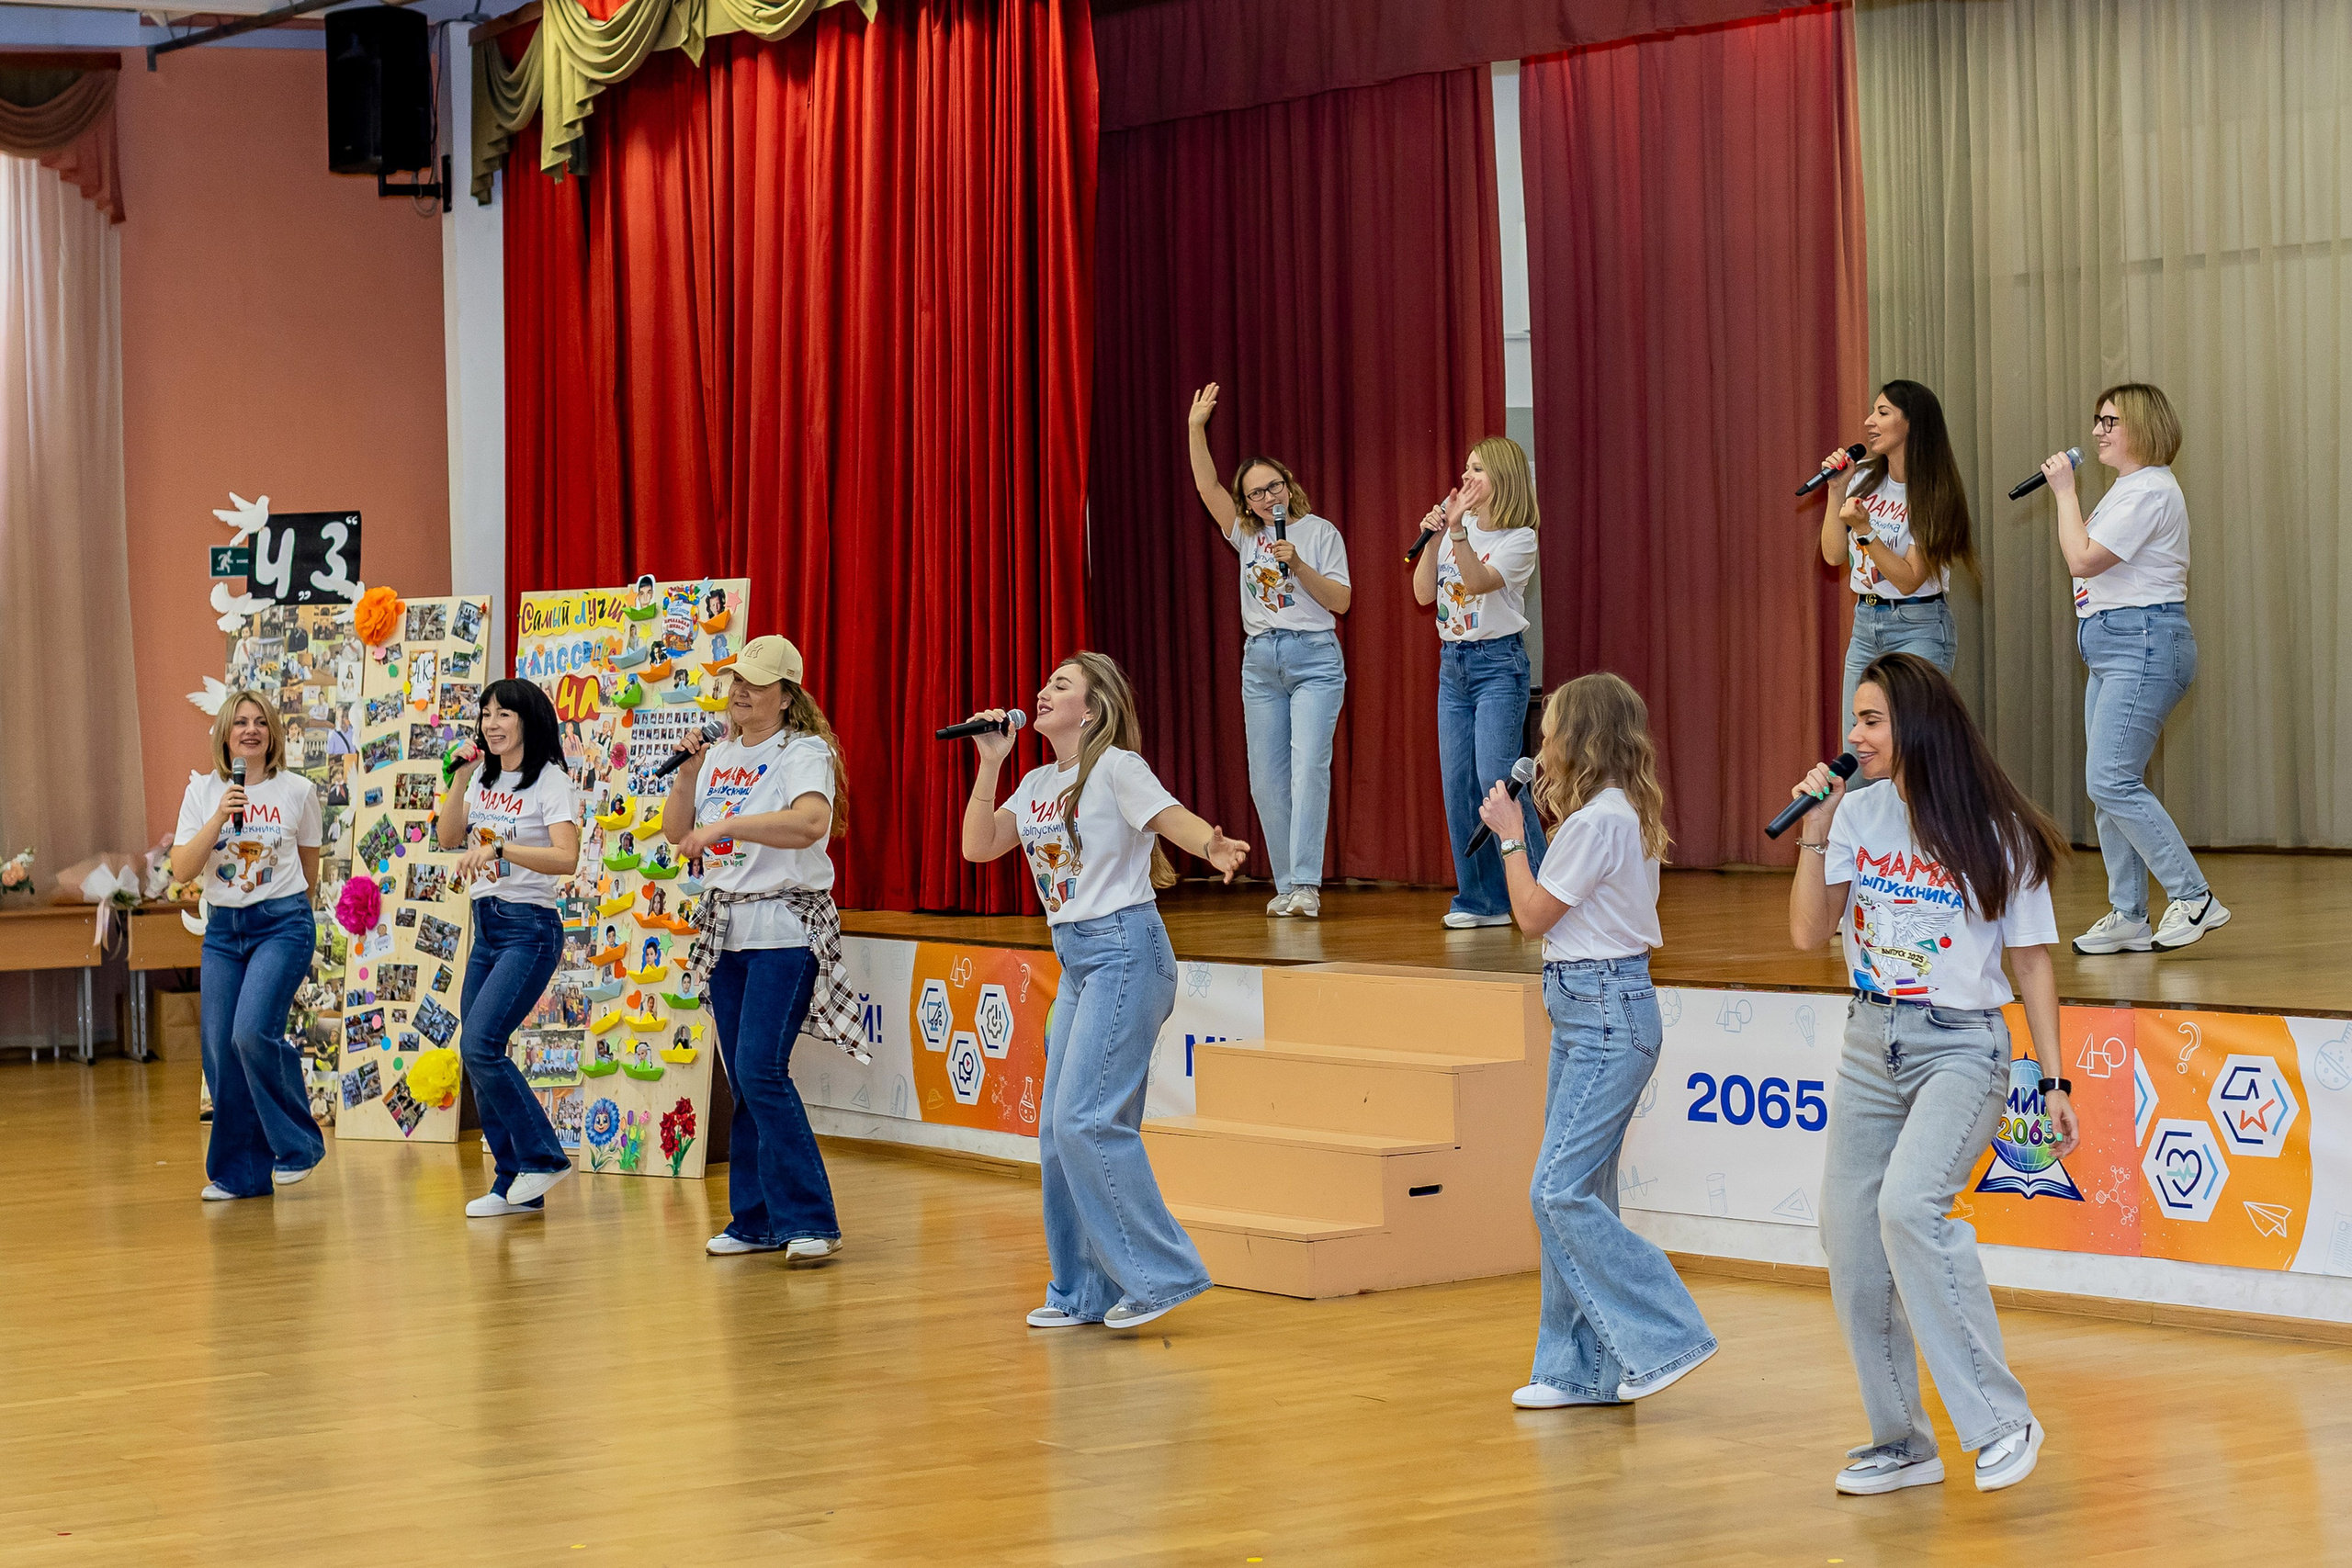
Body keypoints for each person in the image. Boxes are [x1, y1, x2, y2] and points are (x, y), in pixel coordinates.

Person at [1786, 651, 2078, 1496]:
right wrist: (1815, 825)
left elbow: (2031, 963)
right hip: (1870, 1041)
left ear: (1915, 725)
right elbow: (1808, 933)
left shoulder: (1996, 827)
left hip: (1962, 1046)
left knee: (1909, 1206)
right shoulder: (1856, 813)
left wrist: (2054, 1081)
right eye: (1855, 719)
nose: (1855, 735)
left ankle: (2002, 1419)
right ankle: (1902, 1441)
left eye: (1871, 720)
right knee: (1849, 1230)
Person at [959, 652, 1250, 1330]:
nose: (1043, 691)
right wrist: (990, 762)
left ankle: (1162, 1276)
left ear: (1091, 709)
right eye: (1046, 682)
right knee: (1057, 1132)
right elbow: (980, 845)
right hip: (1078, 959)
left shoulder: (1117, 767)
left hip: (1125, 949)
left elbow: (1168, 816)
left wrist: (1211, 845)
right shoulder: (1035, 781)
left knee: (1087, 1119)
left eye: (1061, 685)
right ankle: (1081, 1290)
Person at [1476, 673, 1716, 1411]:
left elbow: (1531, 915)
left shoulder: (1600, 821)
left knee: (1556, 1189)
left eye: (1549, 731)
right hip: (1590, 1010)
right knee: (1586, 1190)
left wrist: (1511, 836)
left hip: (1605, 1012)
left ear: (1579, 738)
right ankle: (1578, 1369)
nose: (1540, 743)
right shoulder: (1610, 814)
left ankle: (1667, 1334)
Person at [663, 635, 866, 1262]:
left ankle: (811, 1219)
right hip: (727, 931)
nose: (741, 692)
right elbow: (677, 831)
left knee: (760, 1068)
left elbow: (810, 822)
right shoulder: (721, 753)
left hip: (784, 929)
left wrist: (728, 824)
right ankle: (753, 1219)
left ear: (786, 696)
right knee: (743, 1076)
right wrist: (689, 775)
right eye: (737, 682)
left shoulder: (803, 750)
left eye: (756, 683)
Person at [2037, 383, 2227, 953]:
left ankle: (2195, 897)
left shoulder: (2151, 491)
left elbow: (2082, 559)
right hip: (2113, 645)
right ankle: (2129, 914)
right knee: (2108, 785)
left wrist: (2064, 494)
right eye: (2097, 419)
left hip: (2143, 642)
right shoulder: (2127, 490)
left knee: (2110, 779)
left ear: (2141, 427)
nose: (2098, 430)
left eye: (2110, 421)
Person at [1185, 384, 1351, 919]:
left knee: (1308, 769)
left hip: (1314, 659)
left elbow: (1342, 601)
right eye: (1256, 494)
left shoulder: (1319, 532)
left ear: (1288, 484)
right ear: (1247, 503)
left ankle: (1306, 883)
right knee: (1266, 780)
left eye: (1273, 487)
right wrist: (1195, 428)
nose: (1267, 499)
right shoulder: (1244, 533)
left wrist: (1297, 564)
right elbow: (1207, 485)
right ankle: (1287, 885)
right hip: (1260, 663)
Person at [170, 691, 327, 1201]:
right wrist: (219, 817)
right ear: (225, 733)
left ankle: (299, 1145)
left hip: (282, 925)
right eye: (240, 722)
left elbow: (309, 873)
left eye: (261, 722)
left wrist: (289, 916)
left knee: (251, 1033)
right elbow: (182, 869)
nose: (251, 730)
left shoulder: (298, 791)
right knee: (219, 1049)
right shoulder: (202, 791)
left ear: (273, 733)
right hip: (223, 933)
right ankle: (242, 1175)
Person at [437, 679, 583, 1218]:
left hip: (529, 928)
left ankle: (544, 1158)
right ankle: (512, 1184)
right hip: (486, 927)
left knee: (481, 1043)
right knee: (475, 1054)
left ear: (528, 719)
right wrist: (459, 778)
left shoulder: (550, 781)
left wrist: (502, 848)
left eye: (503, 713)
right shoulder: (481, 777)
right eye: (486, 714)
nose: (491, 724)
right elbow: (449, 836)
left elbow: (567, 858)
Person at [1413, 435, 1546, 927]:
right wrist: (1434, 538)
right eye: (1466, 467)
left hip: (1497, 666)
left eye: (1478, 469)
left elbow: (1478, 583)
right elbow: (1423, 594)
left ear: (1502, 478)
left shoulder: (1519, 539)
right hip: (1454, 666)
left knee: (1499, 782)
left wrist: (1457, 533)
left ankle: (1546, 893)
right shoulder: (1457, 528)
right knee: (1459, 785)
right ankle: (1482, 899)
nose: (1466, 477)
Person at [1815, 380, 1975, 736]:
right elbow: (1833, 555)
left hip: (1918, 627)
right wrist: (1837, 490)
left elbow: (1909, 579)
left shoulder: (1934, 492)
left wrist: (1865, 530)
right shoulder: (1864, 478)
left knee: (1912, 749)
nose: (1869, 421)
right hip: (1865, 624)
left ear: (1912, 424)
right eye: (1872, 412)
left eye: (1883, 413)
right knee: (1859, 749)